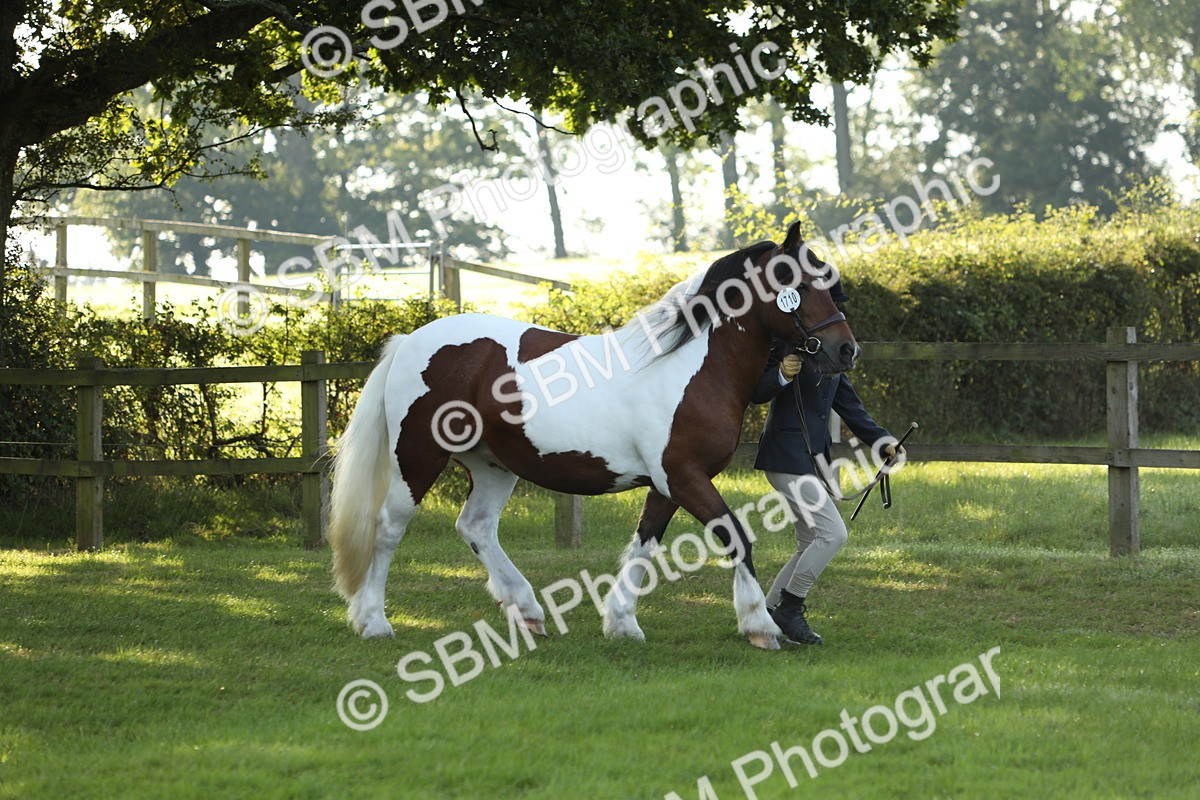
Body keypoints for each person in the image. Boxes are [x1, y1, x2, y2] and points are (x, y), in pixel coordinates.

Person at [751, 280, 900, 645]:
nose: (832, 308)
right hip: (785, 458)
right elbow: (756, 391)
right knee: (833, 534)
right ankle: (790, 607)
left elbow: (852, 408)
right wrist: (783, 375)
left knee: (808, 543)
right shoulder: (784, 345)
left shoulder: (832, 357)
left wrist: (883, 442)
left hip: (812, 461)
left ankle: (765, 619)